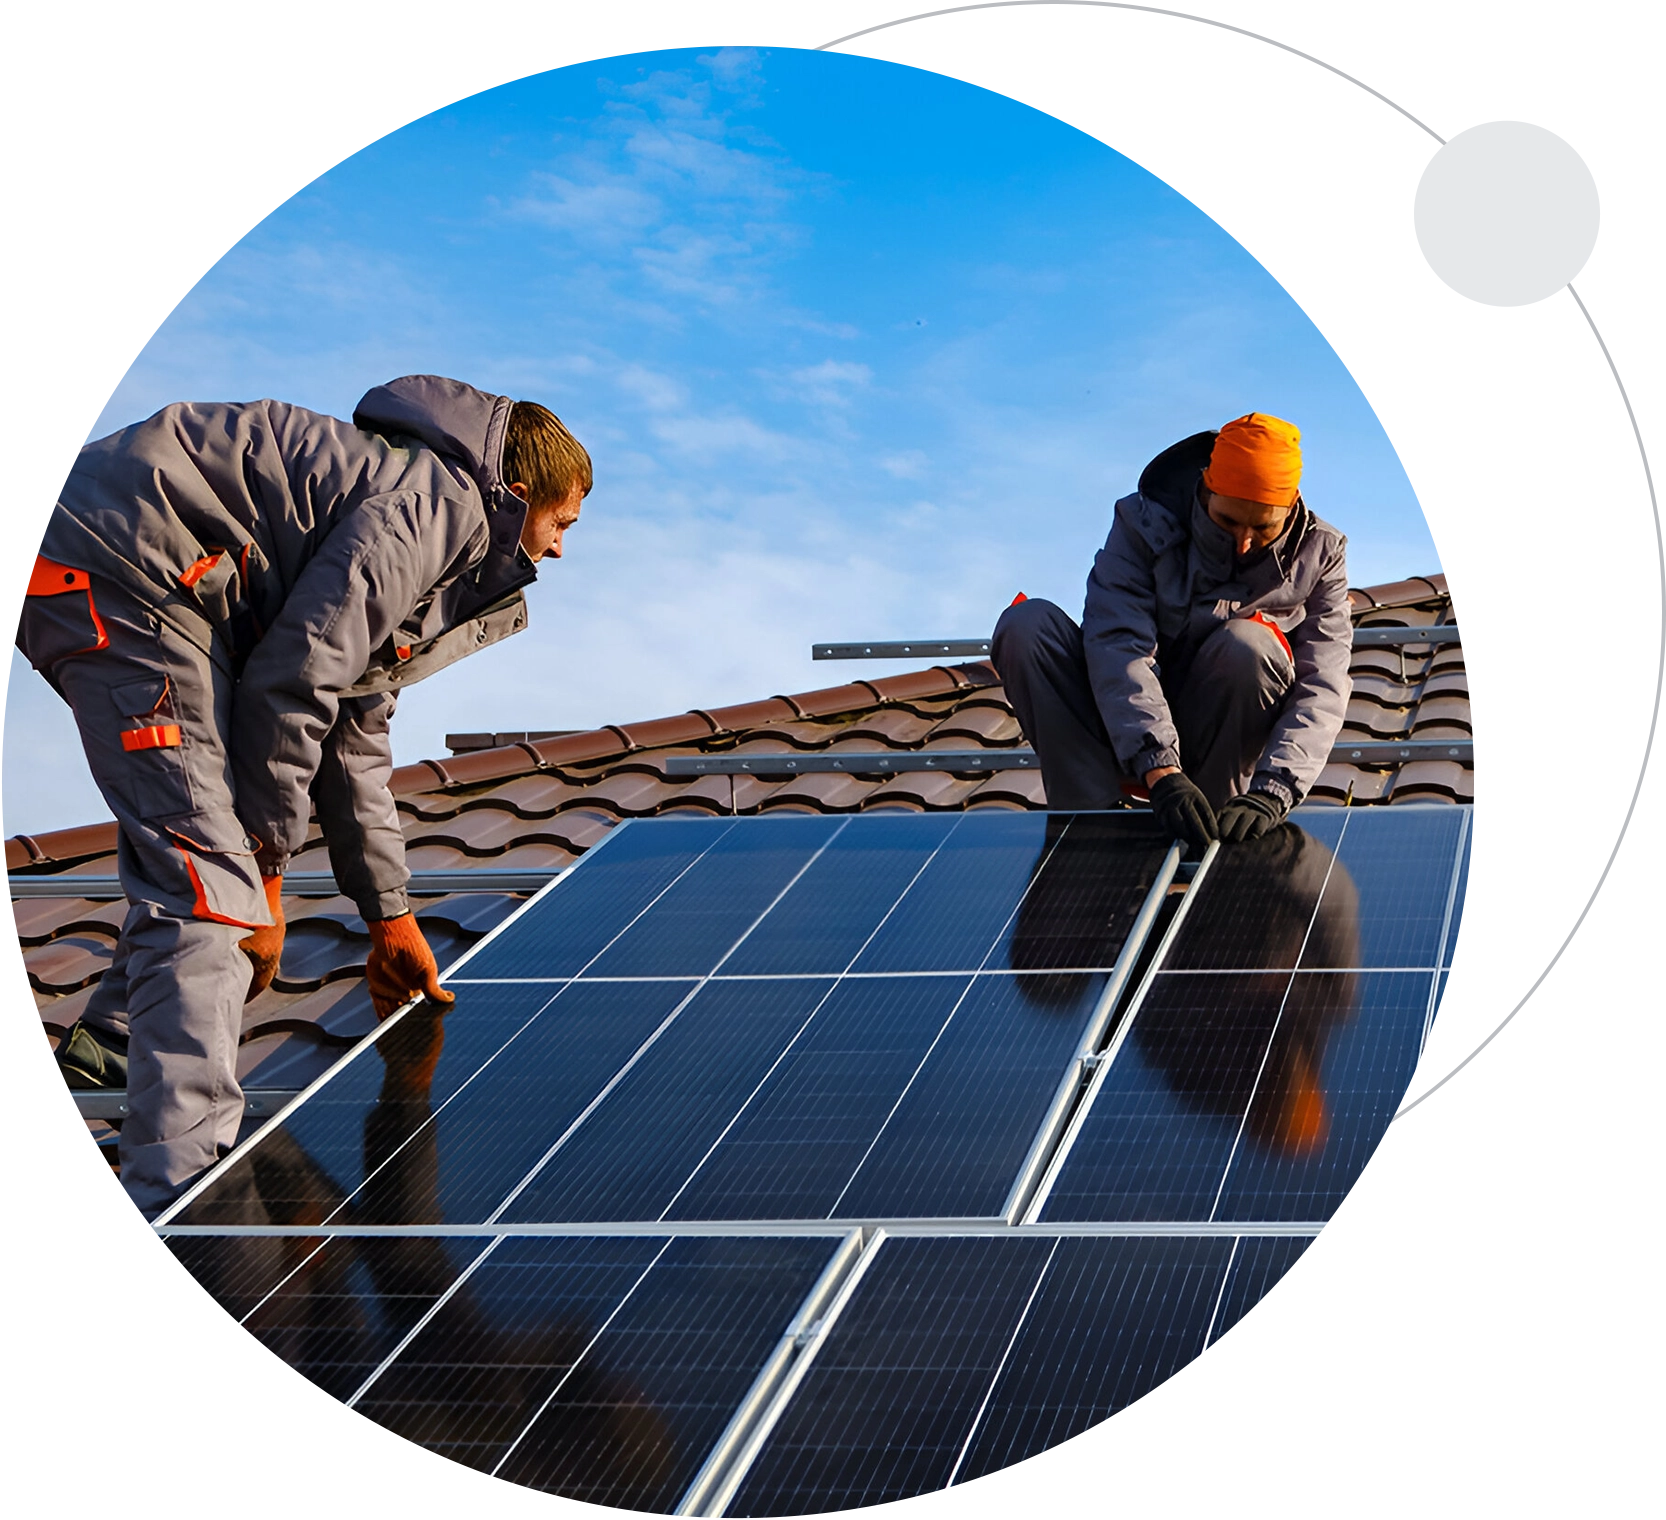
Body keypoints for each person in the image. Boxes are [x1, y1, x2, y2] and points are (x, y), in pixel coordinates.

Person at [17, 374, 591, 1219]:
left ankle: (114, 1042)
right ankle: (191, 1203)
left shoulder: (423, 522)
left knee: (200, 835)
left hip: (160, 587)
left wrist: (390, 919)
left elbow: (350, 733)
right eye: (562, 522)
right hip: (133, 572)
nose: (561, 550)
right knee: (215, 884)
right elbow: (294, 683)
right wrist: (269, 875)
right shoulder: (436, 511)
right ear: (520, 493)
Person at [991, 413, 1351, 849]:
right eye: (1228, 521)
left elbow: (1323, 683)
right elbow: (1118, 644)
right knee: (1027, 626)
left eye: (1262, 528)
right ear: (1205, 488)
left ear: (1292, 505)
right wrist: (1160, 769)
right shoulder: (1142, 522)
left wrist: (1274, 791)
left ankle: (1213, 833)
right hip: (1120, 727)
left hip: (1220, 742)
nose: (1243, 542)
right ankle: (1089, 826)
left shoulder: (1321, 554)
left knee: (1248, 646)